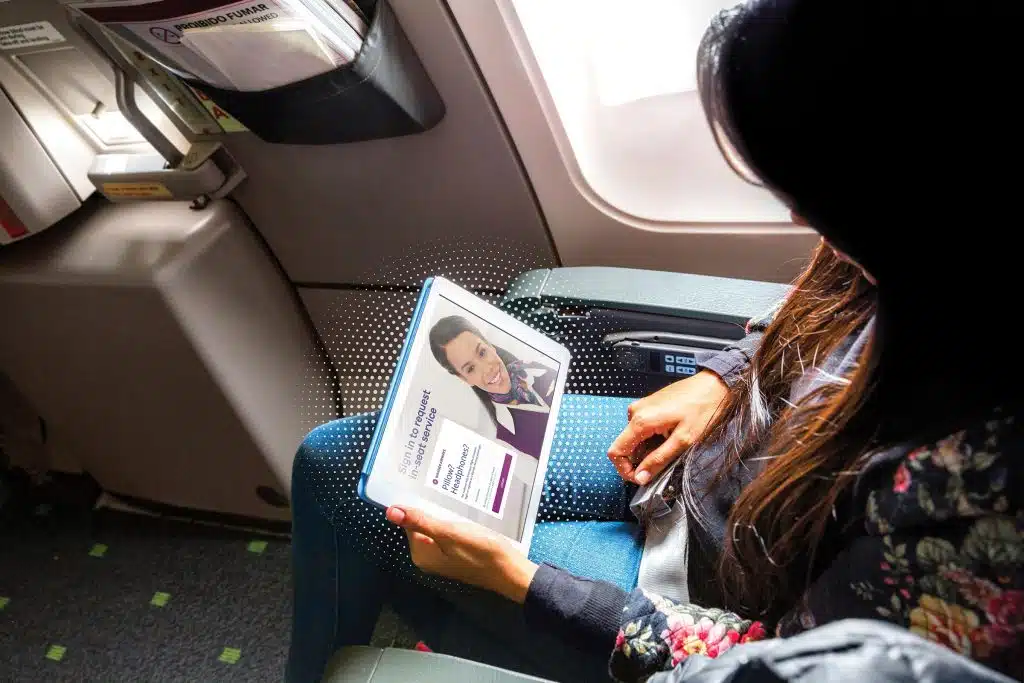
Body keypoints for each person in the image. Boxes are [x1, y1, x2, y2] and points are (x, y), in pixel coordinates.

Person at [381, 1, 1024, 681]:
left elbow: (767, 659)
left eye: (814, 196)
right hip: (714, 453)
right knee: (338, 458)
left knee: (391, 536)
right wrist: (727, 372)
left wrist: (525, 581)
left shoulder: (976, 516)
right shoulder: (944, 230)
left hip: (708, 591)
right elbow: (830, 307)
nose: (799, 216)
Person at [429, 315, 557, 459]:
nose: (487, 369)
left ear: (490, 346)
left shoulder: (540, 362)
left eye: (482, 352)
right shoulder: (506, 440)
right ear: (464, 378)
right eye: (471, 368)